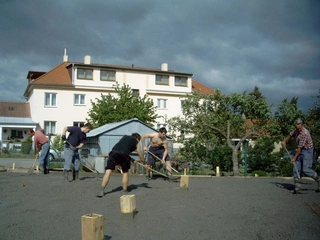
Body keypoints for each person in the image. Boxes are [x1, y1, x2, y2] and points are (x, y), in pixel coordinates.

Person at [96, 133, 147, 197]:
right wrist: (145, 163)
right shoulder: (136, 142)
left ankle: (102, 190)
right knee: (125, 172)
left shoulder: (125, 137)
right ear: (137, 139)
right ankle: (124, 191)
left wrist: (131, 159)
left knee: (108, 171)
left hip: (113, 152)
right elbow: (140, 155)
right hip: (124, 154)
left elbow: (122, 150)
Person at [281, 118, 319, 193]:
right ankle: (297, 188)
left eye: (299, 125)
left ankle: (319, 180)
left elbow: (299, 148)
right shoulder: (296, 130)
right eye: (296, 125)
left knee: (306, 170)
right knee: (296, 168)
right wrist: (285, 141)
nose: (297, 127)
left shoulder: (305, 133)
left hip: (307, 151)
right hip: (300, 150)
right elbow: (290, 134)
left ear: (302, 125)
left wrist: (294, 158)